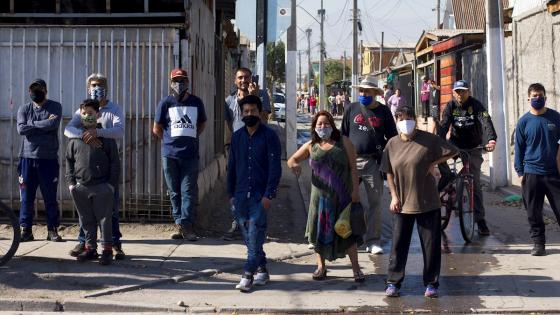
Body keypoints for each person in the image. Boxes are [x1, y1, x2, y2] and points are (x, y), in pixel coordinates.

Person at [382, 105, 458, 298]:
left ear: (414, 120)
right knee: (398, 246)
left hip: (427, 201)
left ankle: (431, 284)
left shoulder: (429, 140)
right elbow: (388, 172)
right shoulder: (391, 144)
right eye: (400, 119)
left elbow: (452, 150)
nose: (405, 122)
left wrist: (434, 163)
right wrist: (393, 196)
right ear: (396, 121)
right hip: (401, 203)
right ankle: (393, 283)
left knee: (431, 245)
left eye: (408, 118)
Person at [287, 111, 365, 282]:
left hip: (342, 197)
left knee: (347, 233)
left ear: (332, 125)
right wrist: (294, 166)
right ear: (314, 127)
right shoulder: (311, 145)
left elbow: (353, 168)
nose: (323, 127)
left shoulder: (344, 143)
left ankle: (356, 269)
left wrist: (355, 192)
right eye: (319, 124)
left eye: (326, 123)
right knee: (319, 233)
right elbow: (292, 159)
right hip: (319, 200)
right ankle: (321, 267)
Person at [65, 73, 126, 260]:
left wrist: (97, 132)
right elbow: (69, 130)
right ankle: (85, 243)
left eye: (99, 85)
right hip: (85, 170)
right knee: (86, 214)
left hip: (106, 167)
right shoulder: (84, 109)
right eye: (92, 85)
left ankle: (114, 245)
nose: (96, 88)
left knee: (110, 212)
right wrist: (84, 136)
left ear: (106, 87)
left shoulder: (114, 109)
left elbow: (120, 131)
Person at [227, 95, 282, 292]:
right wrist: (231, 195)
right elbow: (231, 168)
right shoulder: (237, 137)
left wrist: (269, 195)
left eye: (253, 111)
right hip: (240, 196)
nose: (249, 114)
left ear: (260, 113)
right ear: (242, 114)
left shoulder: (270, 136)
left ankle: (248, 275)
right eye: (246, 111)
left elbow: (275, 168)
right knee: (250, 239)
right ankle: (262, 269)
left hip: (260, 197)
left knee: (254, 235)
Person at [341, 75, 398, 255]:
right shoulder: (351, 108)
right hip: (351, 161)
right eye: (361, 90)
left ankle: (373, 240)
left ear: (375, 93)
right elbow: (342, 135)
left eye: (367, 91)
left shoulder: (384, 111)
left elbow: (392, 138)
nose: (363, 93)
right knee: (346, 200)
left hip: (373, 162)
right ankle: (347, 238)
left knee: (375, 202)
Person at [153, 68, 207, 241]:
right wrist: (169, 142)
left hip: (190, 155)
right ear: (170, 83)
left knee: (188, 191)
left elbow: (202, 123)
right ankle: (178, 223)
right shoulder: (165, 103)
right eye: (176, 80)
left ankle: (187, 225)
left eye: (183, 80)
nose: (179, 84)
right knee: (174, 191)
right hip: (169, 156)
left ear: (188, 82)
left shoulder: (196, 102)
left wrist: (191, 137)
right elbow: (157, 128)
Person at [438, 79, 497, 235]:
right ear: (453, 93)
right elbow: (444, 124)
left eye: (463, 91)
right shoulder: (450, 106)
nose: (460, 94)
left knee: (475, 183)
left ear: (468, 92)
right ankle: (447, 179)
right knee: (440, 162)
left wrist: (491, 139)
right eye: (457, 91)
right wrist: (439, 141)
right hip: (455, 145)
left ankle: (480, 220)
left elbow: (486, 120)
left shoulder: (476, 105)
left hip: (473, 147)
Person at [514, 83, 560, 256]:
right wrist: (519, 172)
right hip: (531, 173)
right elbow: (519, 148)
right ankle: (539, 244)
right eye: (534, 96)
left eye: (540, 95)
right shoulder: (524, 122)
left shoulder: (555, 118)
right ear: (528, 99)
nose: (537, 98)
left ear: (545, 97)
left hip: (554, 174)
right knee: (533, 212)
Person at [16, 79, 62, 242]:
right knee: (26, 197)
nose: (35, 92)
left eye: (39, 89)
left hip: (48, 159)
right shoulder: (24, 108)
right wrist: (43, 124)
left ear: (45, 90)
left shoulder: (55, 106)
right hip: (27, 159)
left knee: (50, 196)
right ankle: (26, 230)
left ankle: (52, 229)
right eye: (32, 89)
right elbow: (21, 129)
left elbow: (54, 123)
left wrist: (32, 125)